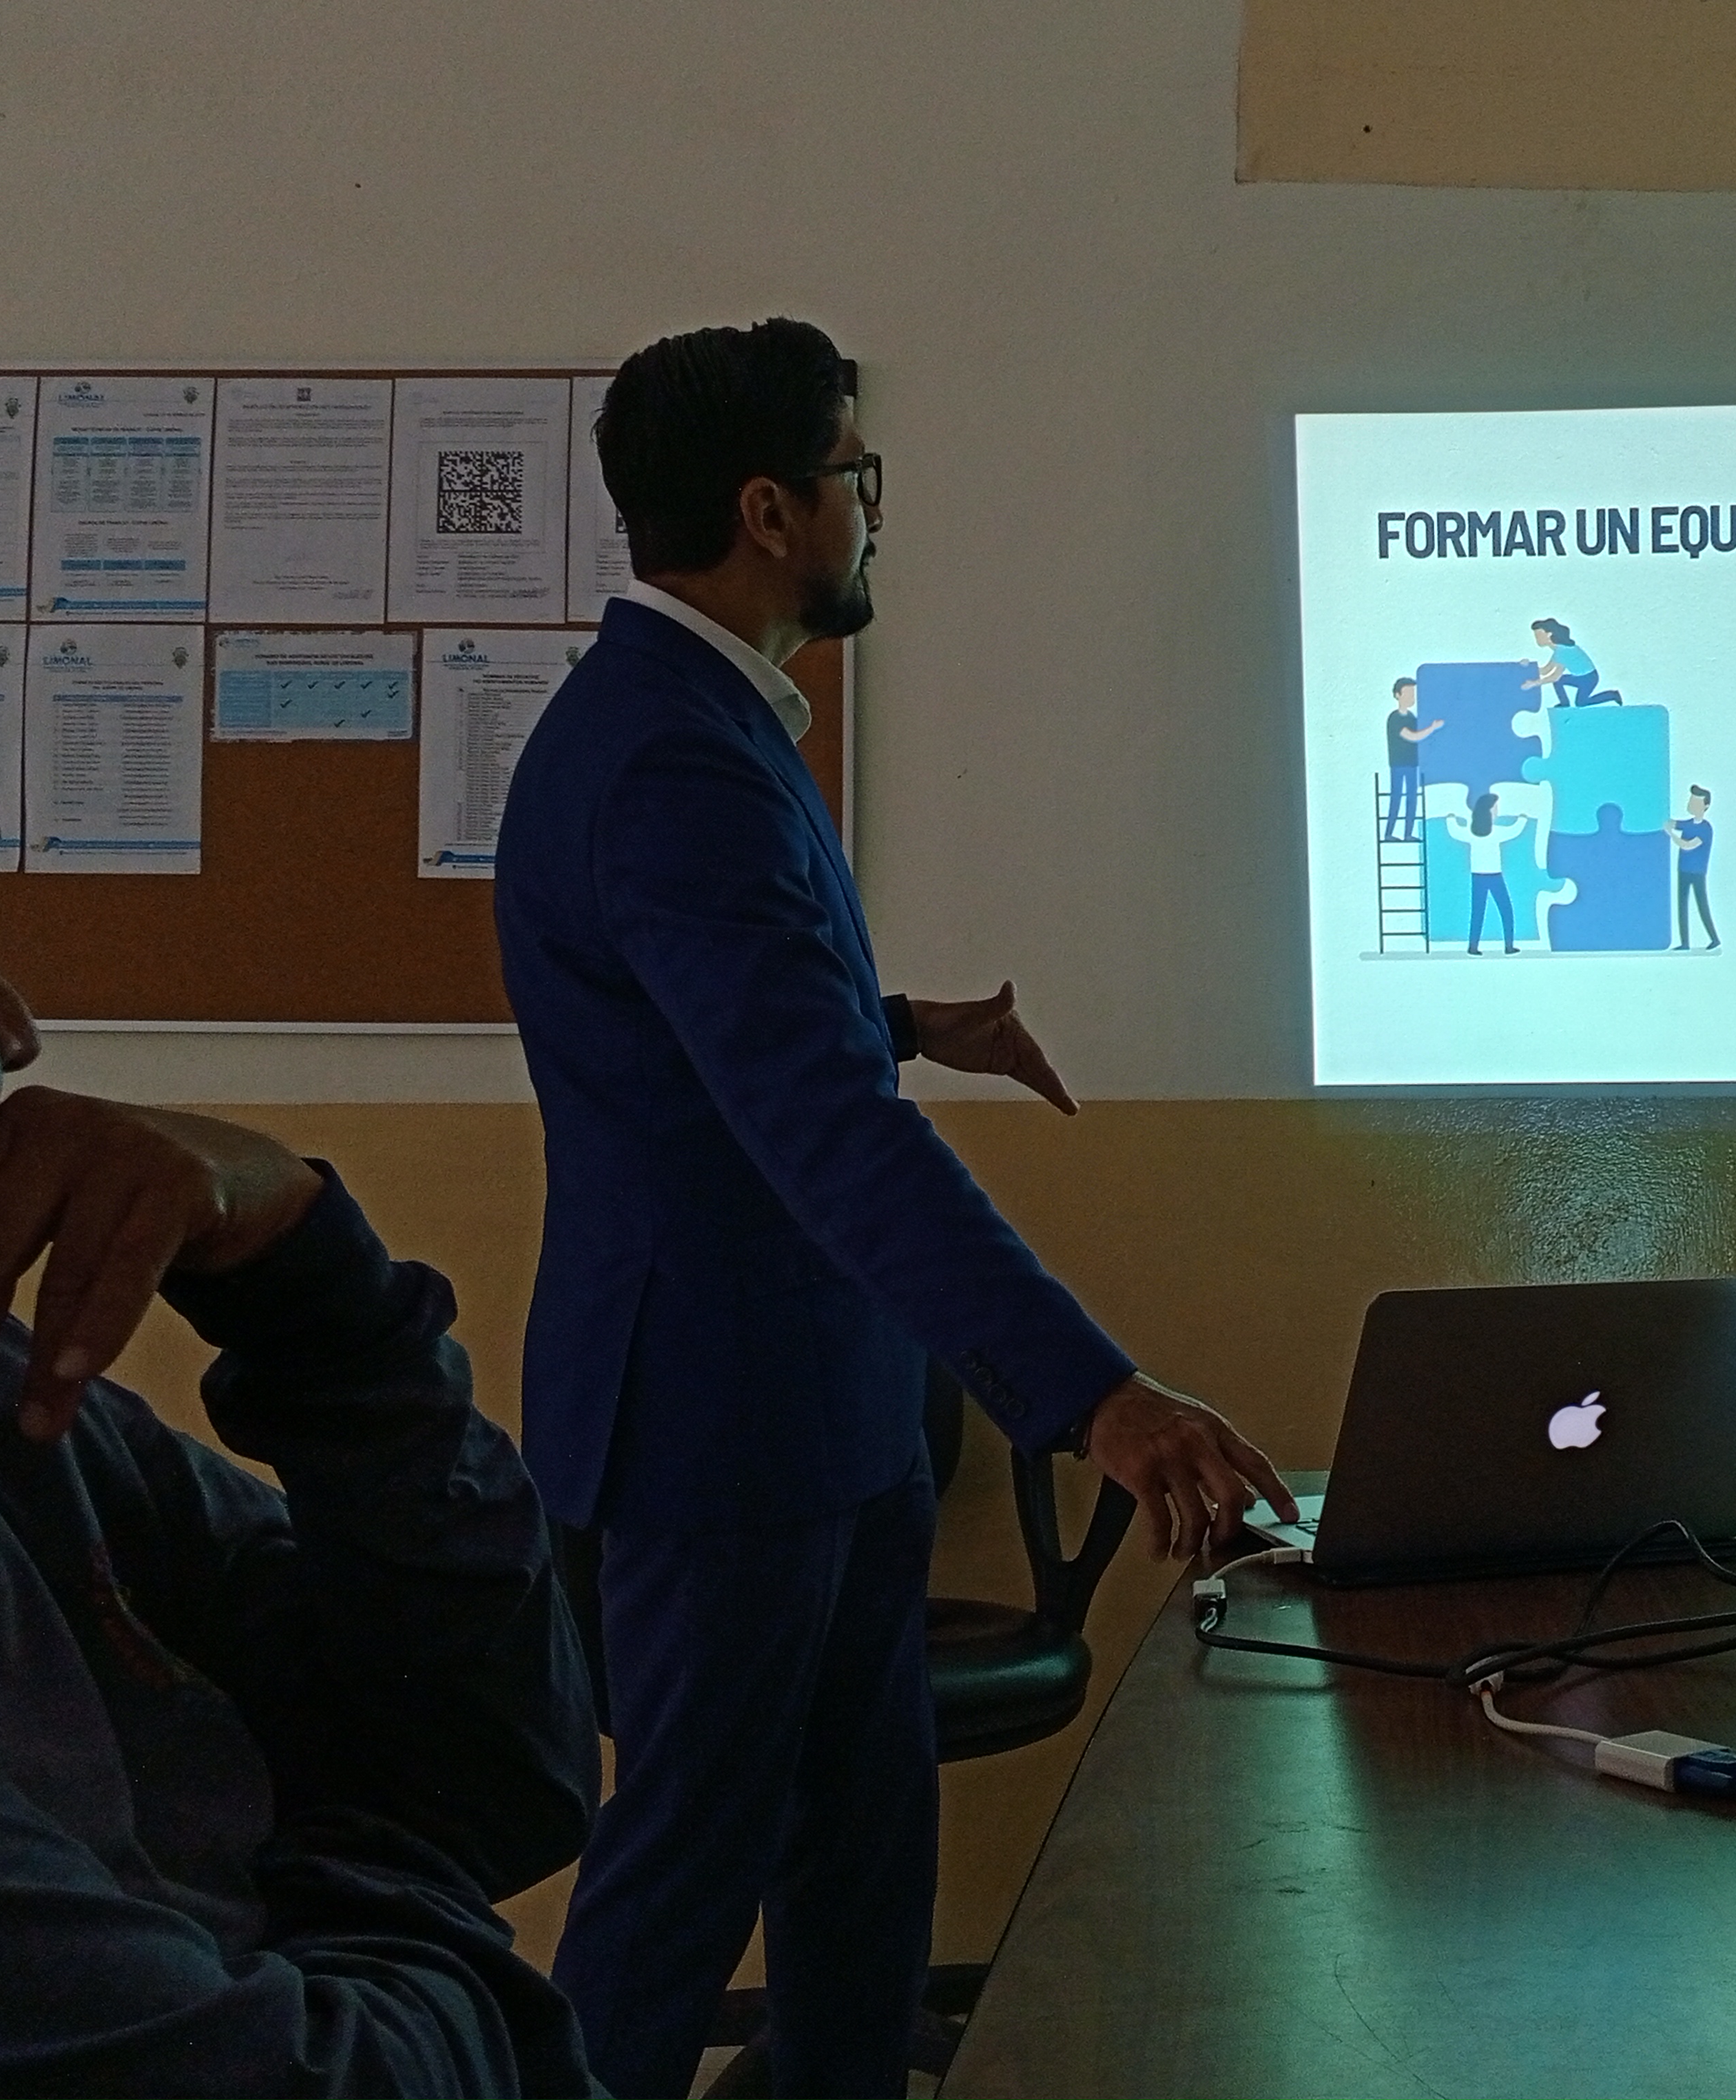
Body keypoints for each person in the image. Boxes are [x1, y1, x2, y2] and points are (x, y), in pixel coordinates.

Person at [493, 319, 1296, 2100]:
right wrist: (1096, 1398)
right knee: (685, 1878)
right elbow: (823, 1133)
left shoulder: (696, 723)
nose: (871, 508)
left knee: (860, 1878)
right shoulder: (673, 760)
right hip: (718, 1435)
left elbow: (723, 1029)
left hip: (822, 1421)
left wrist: (910, 1020)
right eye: (857, 474)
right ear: (771, 511)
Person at [0, 836, 604, 2098]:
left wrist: (318, 1300)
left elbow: (498, 1779)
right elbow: (313, 2077)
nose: (15, 1037)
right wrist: (407, 1911)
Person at [1447, 790, 1530, 954]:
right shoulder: (1496, 831)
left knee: (1478, 912)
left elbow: (1455, 832)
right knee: (1506, 910)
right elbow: (1514, 831)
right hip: (1494, 876)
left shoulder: (1473, 831)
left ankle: (1473, 946)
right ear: (1489, 810)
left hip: (1478, 876)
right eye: (1496, 807)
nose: (1498, 810)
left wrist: (1450, 819)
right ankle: (1508, 946)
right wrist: (1523, 819)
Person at [1383, 676, 1442, 840]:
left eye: (1412, 693)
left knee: (1412, 798)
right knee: (1396, 797)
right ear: (1398, 695)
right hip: (1398, 764)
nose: (1411, 697)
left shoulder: (1412, 718)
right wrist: (1432, 728)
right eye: (1408, 693)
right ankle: (1389, 833)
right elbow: (1412, 736)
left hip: (1413, 763)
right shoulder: (1395, 718)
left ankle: (1408, 833)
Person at [1668, 785, 1719, 949]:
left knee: (1702, 905)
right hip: (1683, 870)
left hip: (1697, 872)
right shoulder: (1689, 824)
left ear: (1706, 806)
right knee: (1682, 905)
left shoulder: (1705, 828)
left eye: (1696, 803)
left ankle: (1714, 938)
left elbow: (1687, 845)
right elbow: (1674, 823)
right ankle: (1685, 943)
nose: (1692, 805)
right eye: (1692, 801)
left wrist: (1671, 834)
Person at [1520, 617, 1612, 707]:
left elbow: (1555, 677)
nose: (1537, 639)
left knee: (1581, 703)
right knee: (1560, 681)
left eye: (1539, 636)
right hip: (1579, 677)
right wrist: (1528, 667)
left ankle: (1613, 695)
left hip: (1589, 678)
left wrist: (1534, 683)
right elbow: (1546, 670)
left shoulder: (1563, 652)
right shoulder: (1560, 651)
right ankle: (1565, 704)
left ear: (1549, 635)